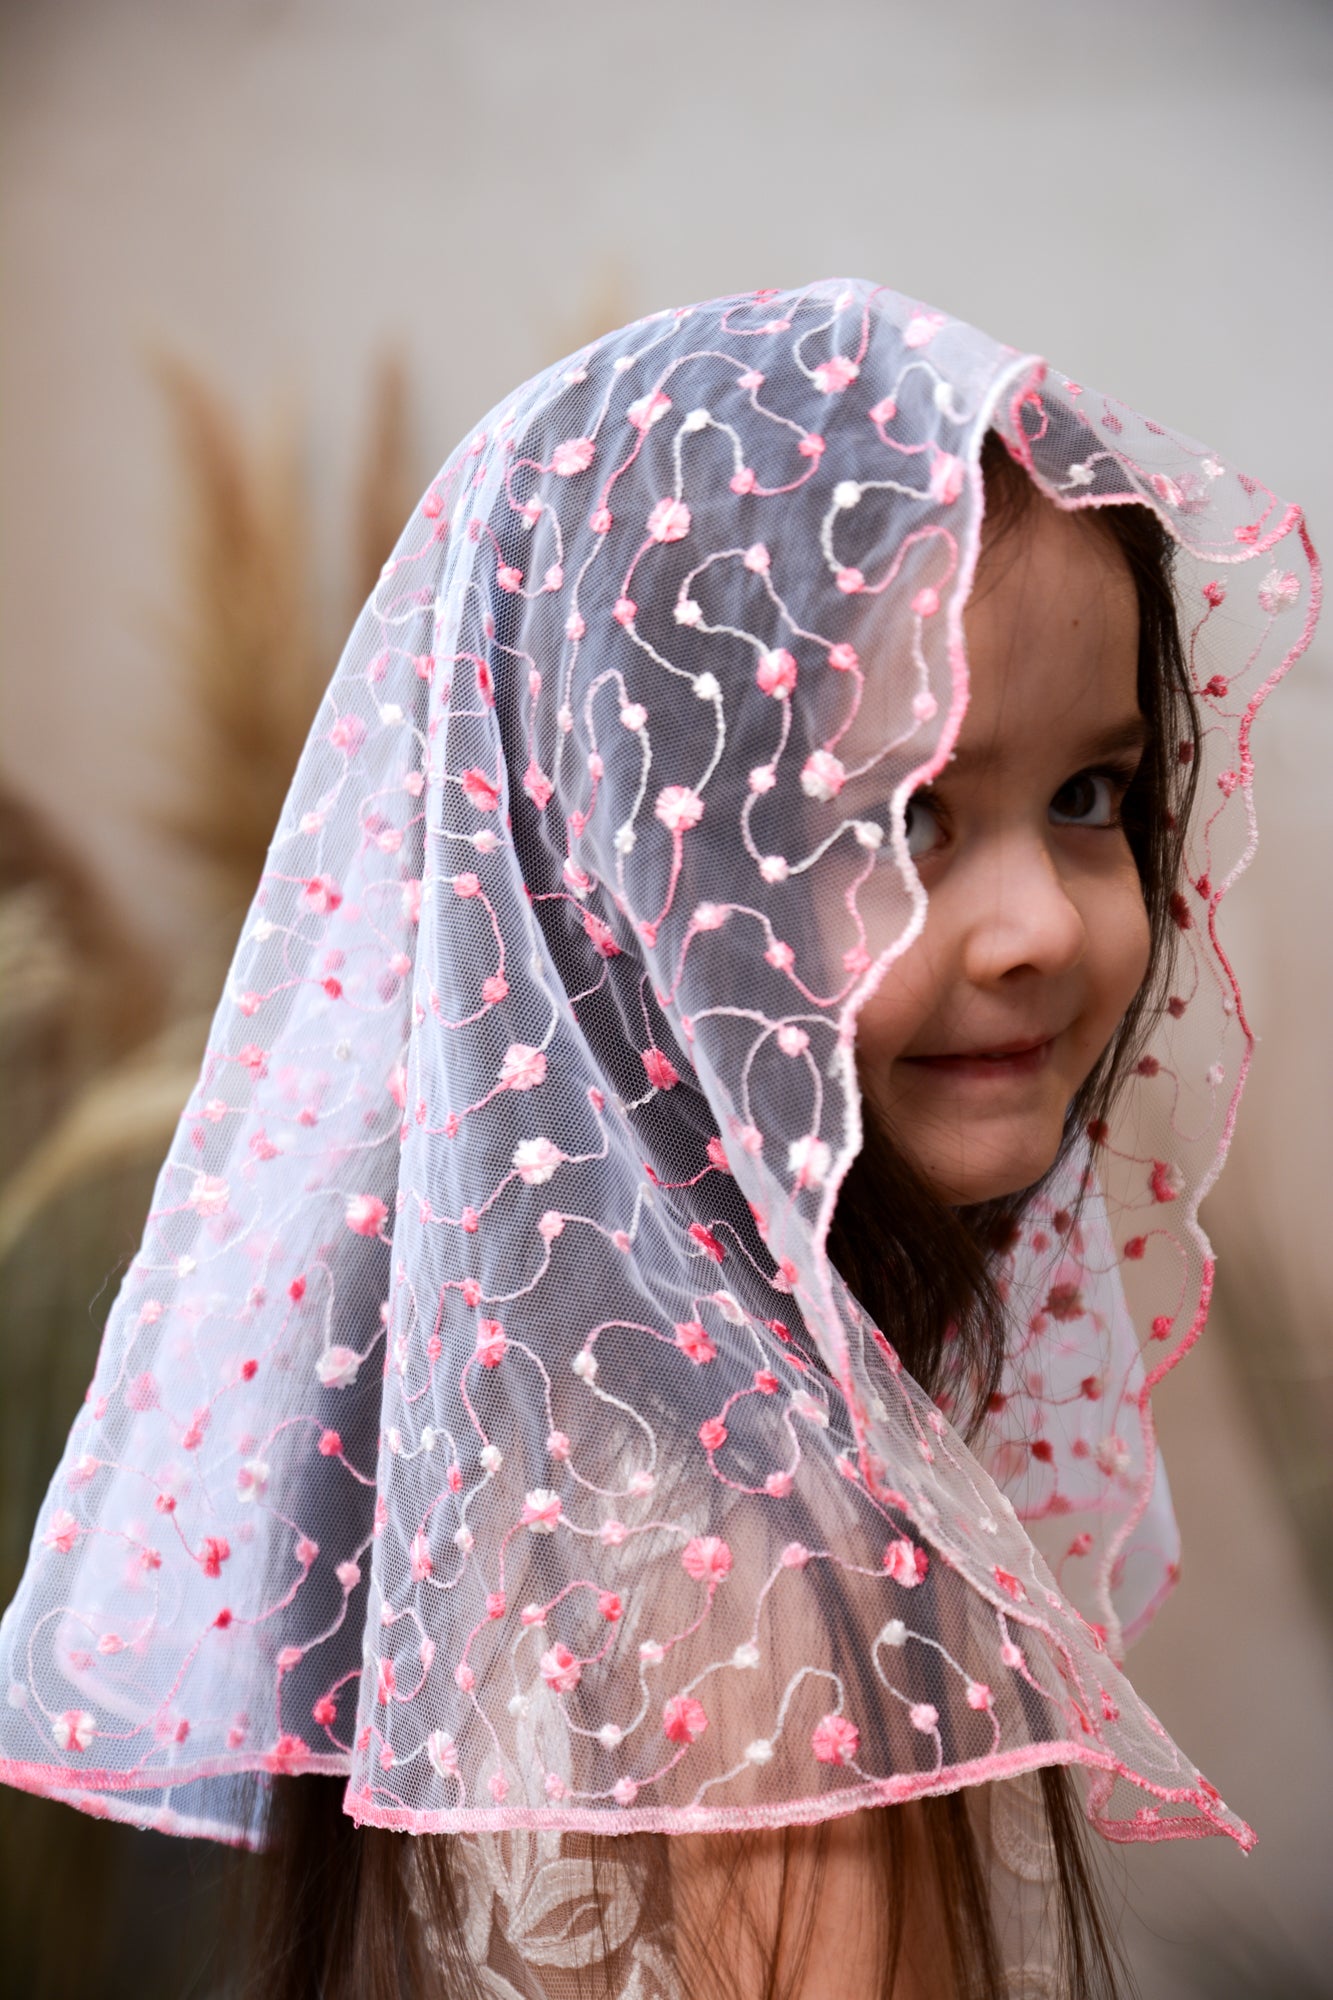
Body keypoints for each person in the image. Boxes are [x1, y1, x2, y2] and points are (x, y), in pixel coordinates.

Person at [0, 281, 1318, 1998]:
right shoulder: (779, 1575)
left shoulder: (535, 1470)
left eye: (1087, 798)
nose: (1039, 928)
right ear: (637, 878)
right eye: (899, 818)